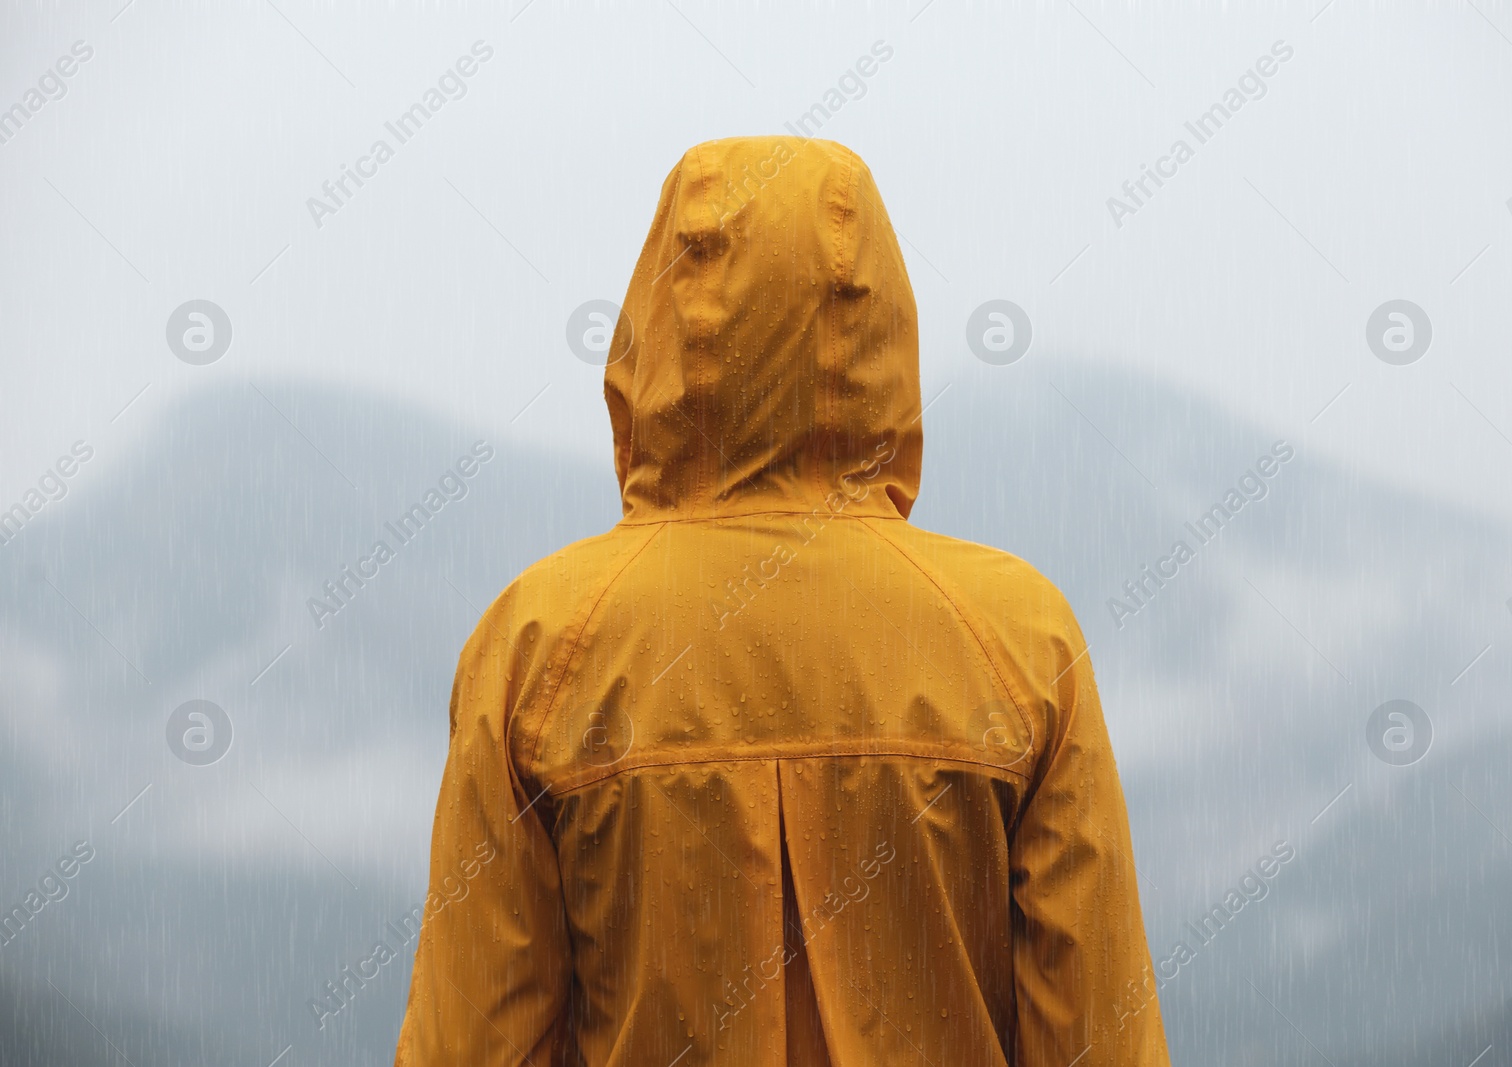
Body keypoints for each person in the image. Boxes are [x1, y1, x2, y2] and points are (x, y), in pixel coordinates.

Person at [394, 136, 1169, 1066]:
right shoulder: (1018, 635)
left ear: (656, 319)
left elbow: (474, 1039)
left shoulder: (538, 644)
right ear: (880, 324)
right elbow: (1101, 1037)